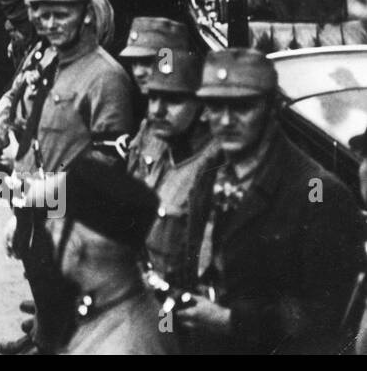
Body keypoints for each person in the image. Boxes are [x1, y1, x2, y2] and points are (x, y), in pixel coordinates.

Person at [0, 0, 135, 354]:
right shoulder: (45, 54)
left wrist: (40, 198)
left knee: (69, 326)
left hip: (71, 222)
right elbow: (16, 97)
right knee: (43, 293)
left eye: (61, 14)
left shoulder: (106, 78)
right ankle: (41, 335)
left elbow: (106, 165)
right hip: (35, 206)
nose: (50, 23)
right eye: (42, 14)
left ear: (85, 14)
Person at [179, 48, 364, 354]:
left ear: (272, 108)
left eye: (242, 107)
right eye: (215, 105)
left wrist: (231, 320)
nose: (226, 120)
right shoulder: (209, 175)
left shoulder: (318, 193)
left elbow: (327, 315)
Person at [42, 155, 176, 355]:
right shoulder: (124, 301)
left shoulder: (121, 347)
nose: (48, 227)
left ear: (75, 245)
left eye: (55, 224)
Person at [124, 49, 219, 291]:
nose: (157, 110)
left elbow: (205, 277)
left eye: (173, 100)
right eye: (153, 98)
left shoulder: (214, 169)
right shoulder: (163, 149)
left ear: (206, 108)